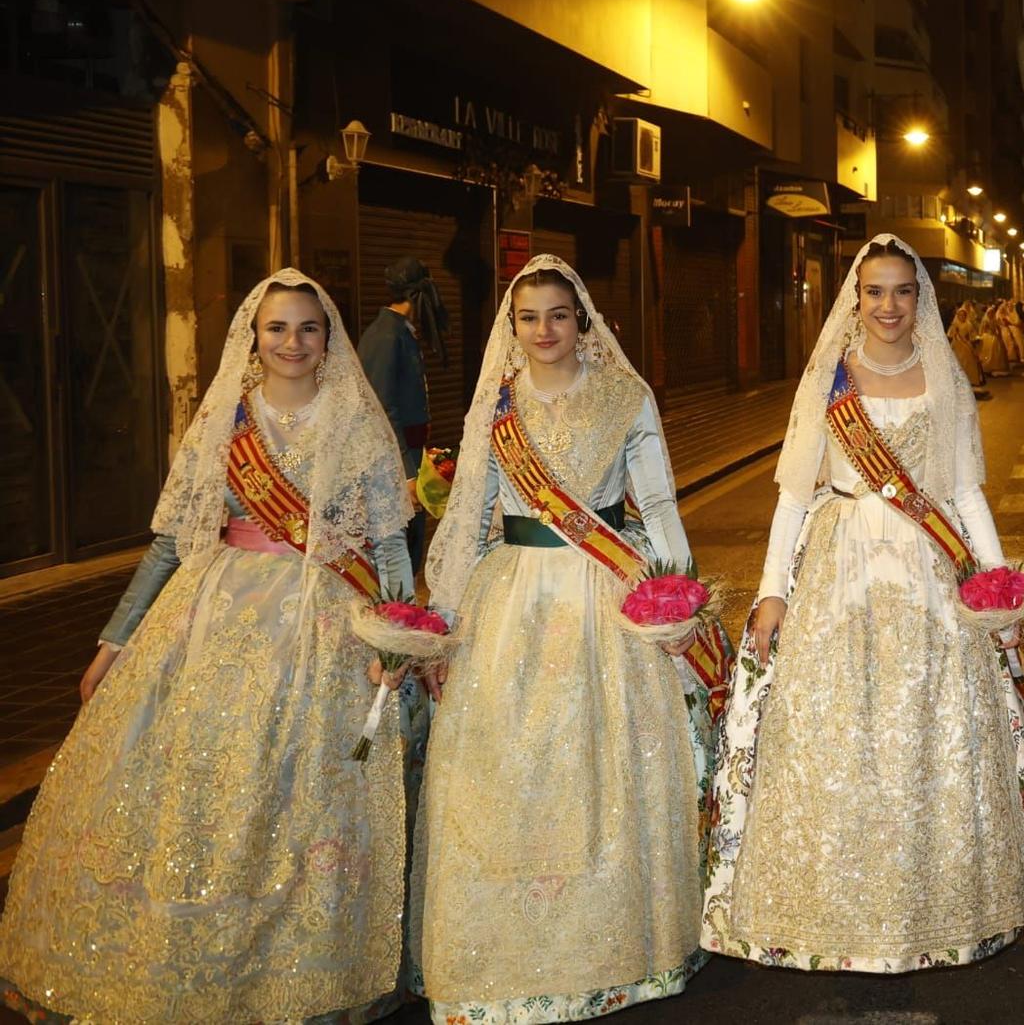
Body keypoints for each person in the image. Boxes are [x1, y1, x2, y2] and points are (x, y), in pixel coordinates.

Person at [0, 271, 415, 1024]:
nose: (293, 342)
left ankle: (291, 955)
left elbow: (389, 541)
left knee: (295, 793)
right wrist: (114, 643)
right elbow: (168, 546)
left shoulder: (356, 422)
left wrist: (399, 634)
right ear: (252, 339)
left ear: (330, 338)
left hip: (323, 627)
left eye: (308, 328)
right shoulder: (224, 420)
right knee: (201, 783)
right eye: (277, 328)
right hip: (215, 621)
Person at [703, 235, 1024, 973]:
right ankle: (835, 905)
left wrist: (993, 579)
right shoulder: (828, 377)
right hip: (841, 563)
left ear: (920, 298)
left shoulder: (945, 377)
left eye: (903, 291)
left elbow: (963, 491)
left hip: (927, 569)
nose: (889, 306)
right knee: (839, 728)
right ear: (855, 299)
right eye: (875, 292)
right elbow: (796, 493)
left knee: (926, 725)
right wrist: (771, 590)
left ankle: (929, 902)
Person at [413, 255, 724, 1021]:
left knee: (606, 762)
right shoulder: (497, 404)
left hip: (603, 596)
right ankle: (503, 952)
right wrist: (443, 618)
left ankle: (615, 945)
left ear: (582, 319)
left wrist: (675, 591)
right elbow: (471, 512)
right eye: (529, 317)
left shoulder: (626, 395)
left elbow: (655, 502)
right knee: (507, 767)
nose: (544, 329)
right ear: (511, 328)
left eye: (558, 314)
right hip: (512, 596)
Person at [359, 255, 449, 558]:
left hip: (411, 453)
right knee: (397, 555)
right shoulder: (386, 336)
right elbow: (383, 410)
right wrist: (407, 474)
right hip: (394, 462)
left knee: (411, 550)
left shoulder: (399, 331)